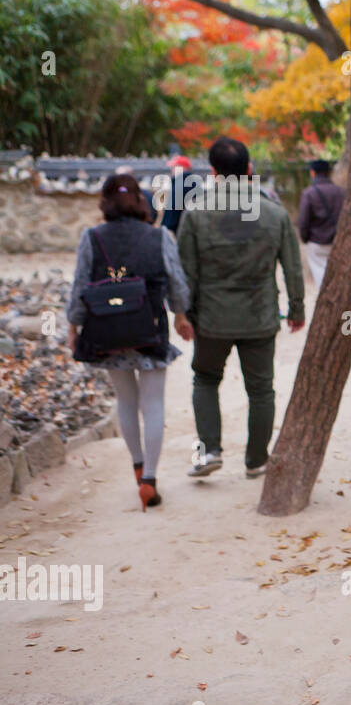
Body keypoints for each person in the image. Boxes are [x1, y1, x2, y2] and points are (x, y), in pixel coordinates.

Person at [177, 136, 305, 479]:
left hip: (211, 317)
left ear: (213, 172)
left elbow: (185, 271)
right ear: (249, 170)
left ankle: (210, 451)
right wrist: (296, 308)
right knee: (261, 388)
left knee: (205, 379)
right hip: (259, 315)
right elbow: (292, 267)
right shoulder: (275, 213)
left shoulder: (196, 213)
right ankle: (256, 460)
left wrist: (181, 314)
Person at [67, 173, 193, 511]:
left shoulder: (90, 237)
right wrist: (181, 316)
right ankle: (150, 479)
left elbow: (80, 284)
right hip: (149, 329)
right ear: (140, 201)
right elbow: (177, 282)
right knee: (153, 403)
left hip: (108, 331)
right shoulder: (160, 237)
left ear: (105, 203)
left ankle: (136, 467)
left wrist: (73, 326)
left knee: (125, 400)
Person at [297, 158, 345, 288]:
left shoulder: (309, 193)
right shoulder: (341, 192)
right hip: (338, 241)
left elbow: (303, 221)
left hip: (317, 242)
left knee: (321, 276)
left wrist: (306, 238)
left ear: (312, 173)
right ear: (329, 173)